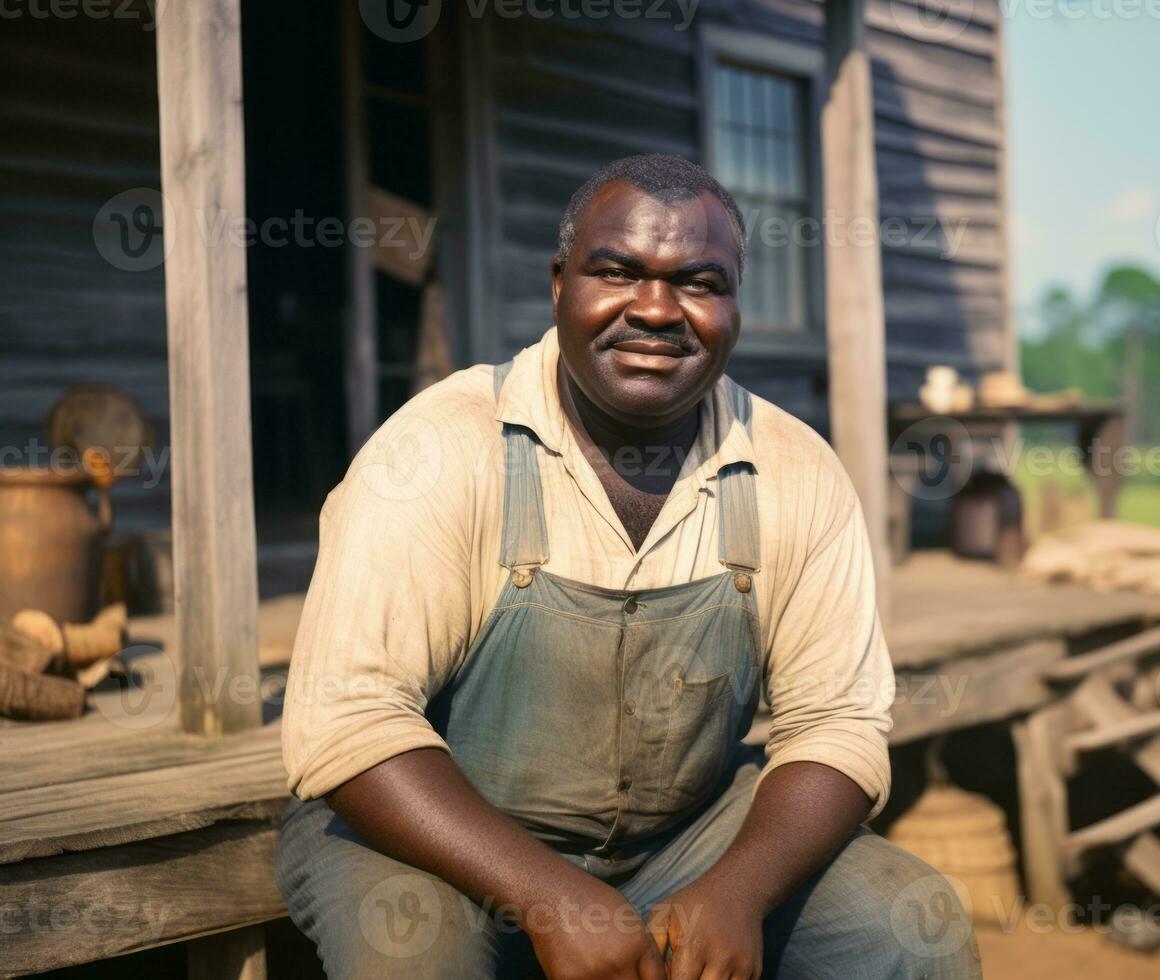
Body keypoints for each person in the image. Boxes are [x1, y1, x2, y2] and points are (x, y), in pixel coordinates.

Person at [276, 153, 981, 979]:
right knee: (416, 952)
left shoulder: (793, 465)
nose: (655, 310)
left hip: (684, 837)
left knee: (909, 929)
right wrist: (548, 897)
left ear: (733, 304)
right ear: (558, 283)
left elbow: (838, 722)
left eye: (698, 282)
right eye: (616, 272)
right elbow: (351, 723)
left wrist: (738, 890)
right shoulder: (435, 449)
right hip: (430, 833)